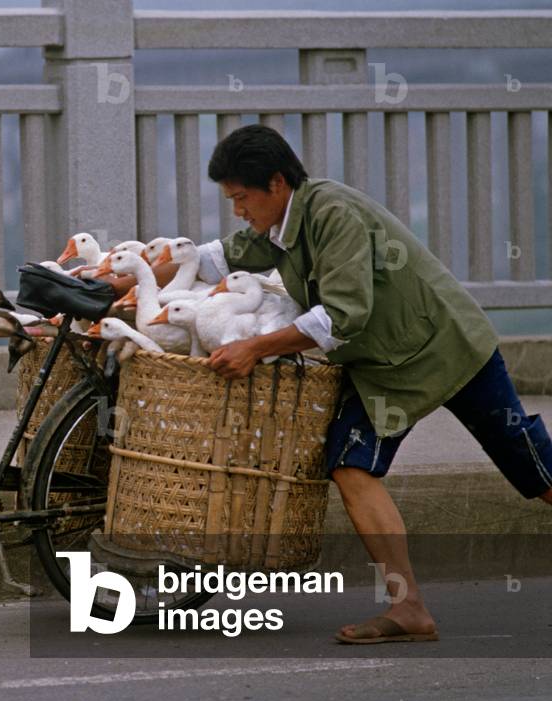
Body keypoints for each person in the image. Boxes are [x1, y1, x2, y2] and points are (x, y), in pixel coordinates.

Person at [111, 124, 552, 644]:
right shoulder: (278, 225)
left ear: (276, 183)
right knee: (351, 467)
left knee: (529, 463)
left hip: (446, 346)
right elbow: (213, 257)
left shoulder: (332, 215)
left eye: (241, 197)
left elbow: (343, 316)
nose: (237, 210)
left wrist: (255, 347)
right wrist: (120, 280)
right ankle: (408, 607)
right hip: (385, 367)